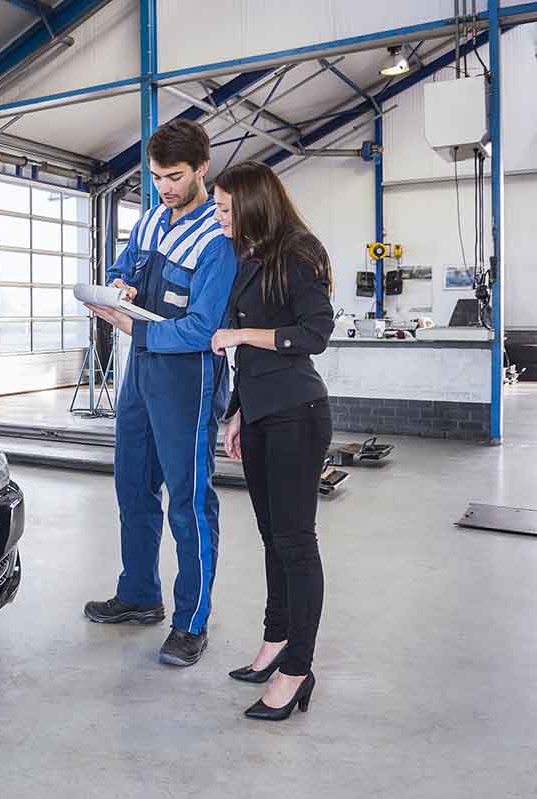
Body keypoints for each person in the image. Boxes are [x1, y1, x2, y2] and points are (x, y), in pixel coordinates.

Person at [84, 119, 237, 668]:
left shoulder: (219, 240)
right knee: (132, 485)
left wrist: (131, 328)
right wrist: (117, 285)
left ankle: (191, 621)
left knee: (189, 502)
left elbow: (201, 328)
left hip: (188, 381)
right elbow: (124, 268)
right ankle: (138, 594)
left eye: (174, 177)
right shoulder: (148, 222)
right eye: (155, 178)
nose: (165, 188)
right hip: (141, 374)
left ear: (202, 168)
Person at [209, 161, 335, 720]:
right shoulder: (250, 258)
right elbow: (251, 361)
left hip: (297, 414)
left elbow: (315, 333)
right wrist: (238, 412)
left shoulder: (299, 253)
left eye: (225, 208)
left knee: (295, 543)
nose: (218, 216)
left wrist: (237, 333)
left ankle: (297, 669)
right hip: (260, 413)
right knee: (271, 539)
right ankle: (275, 641)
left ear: (255, 205)